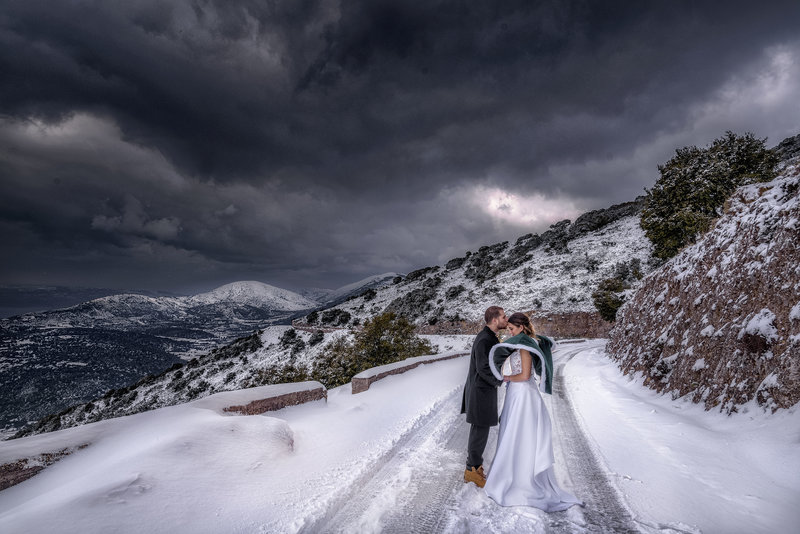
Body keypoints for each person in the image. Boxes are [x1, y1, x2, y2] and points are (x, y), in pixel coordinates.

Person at [483, 312, 582, 511]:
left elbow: (525, 375)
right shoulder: (523, 343)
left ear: (521, 327)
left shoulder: (526, 347)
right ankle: (511, 472)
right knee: (513, 433)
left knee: (520, 435)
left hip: (523, 395)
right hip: (516, 395)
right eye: (508, 328)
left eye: (511, 329)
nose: (509, 332)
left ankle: (521, 479)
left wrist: (508, 378)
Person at [461, 306, 507, 487]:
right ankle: (471, 471)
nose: (506, 319)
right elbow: (483, 368)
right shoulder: (485, 339)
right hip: (481, 392)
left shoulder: (488, 337)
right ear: (494, 320)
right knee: (479, 432)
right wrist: (501, 380)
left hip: (482, 390)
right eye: (503, 317)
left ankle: (474, 467)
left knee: (480, 430)